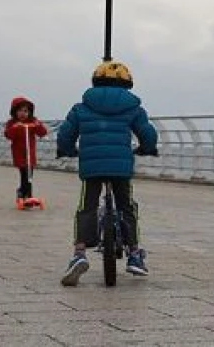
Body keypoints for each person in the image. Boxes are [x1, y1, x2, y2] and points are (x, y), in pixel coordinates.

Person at [56, 60, 159, 286]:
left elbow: (65, 133)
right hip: (120, 167)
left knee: (87, 206)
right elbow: (148, 134)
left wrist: (66, 150)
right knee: (127, 207)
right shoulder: (133, 108)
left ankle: (79, 253)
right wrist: (147, 148)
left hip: (91, 167)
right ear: (126, 84)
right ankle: (134, 253)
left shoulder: (81, 107)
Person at [4, 96, 48, 202]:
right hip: (19, 154)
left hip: (30, 154)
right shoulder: (12, 123)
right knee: (24, 175)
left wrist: (37, 125)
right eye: (20, 111)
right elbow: (8, 135)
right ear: (15, 112)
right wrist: (15, 128)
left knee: (29, 175)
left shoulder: (33, 121)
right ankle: (24, 194)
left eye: (25, 111)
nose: (23, 113)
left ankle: (26, 194)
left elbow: (42, 132)